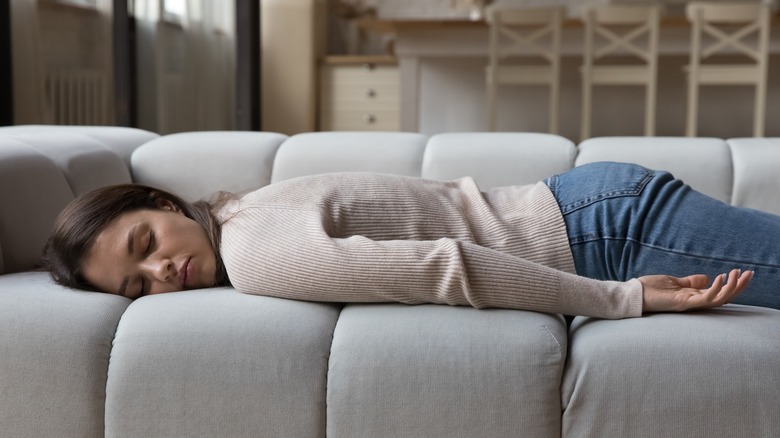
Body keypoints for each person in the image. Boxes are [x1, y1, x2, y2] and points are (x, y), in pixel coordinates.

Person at [42, 162, 772, 319]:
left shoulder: (253, 250)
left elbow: (445, 267)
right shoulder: (244, 212)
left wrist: (619, 300)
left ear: (161, 202)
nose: (162, 268)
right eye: (138, 282)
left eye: (144, 241)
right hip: (588, 208)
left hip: (603, 235)